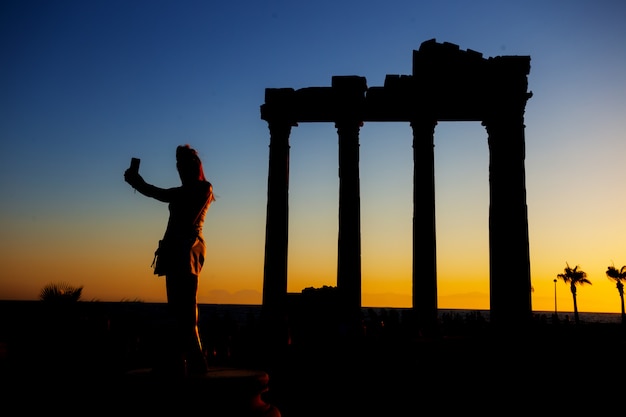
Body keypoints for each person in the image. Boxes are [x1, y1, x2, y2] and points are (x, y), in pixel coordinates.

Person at [124, 144, 216, 377]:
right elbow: (163, 194)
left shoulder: (203, 188)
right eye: (177, 165)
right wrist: (138, 182)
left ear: (193, 166)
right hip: (176, 249)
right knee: (177, 309)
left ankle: (197, 363)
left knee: (186, 310)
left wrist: (138, 182)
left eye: (183, 164)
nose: (179, 169)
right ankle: (182, 360)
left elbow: (164, 194)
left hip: (188, 250)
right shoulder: (187, 190)